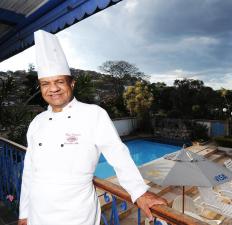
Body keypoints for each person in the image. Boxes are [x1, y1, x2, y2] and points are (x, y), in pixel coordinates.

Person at [18, 30, 166, 225]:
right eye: (46, 83)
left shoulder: (93, 114)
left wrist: (139, 192)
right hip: (38, 212)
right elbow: (29, 170)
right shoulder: (37, 121)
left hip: (77, 213)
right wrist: (24, 214)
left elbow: (118, 153)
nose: (52, 89)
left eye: (59, 82)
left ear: (72, 83)